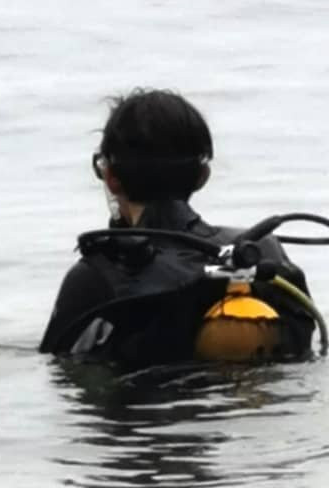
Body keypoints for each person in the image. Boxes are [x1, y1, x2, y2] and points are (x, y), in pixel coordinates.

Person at [39, 89, 316, 365]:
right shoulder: (261, 253)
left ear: (111, 178)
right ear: (202, 176)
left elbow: (59, 370)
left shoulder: (96, 276)